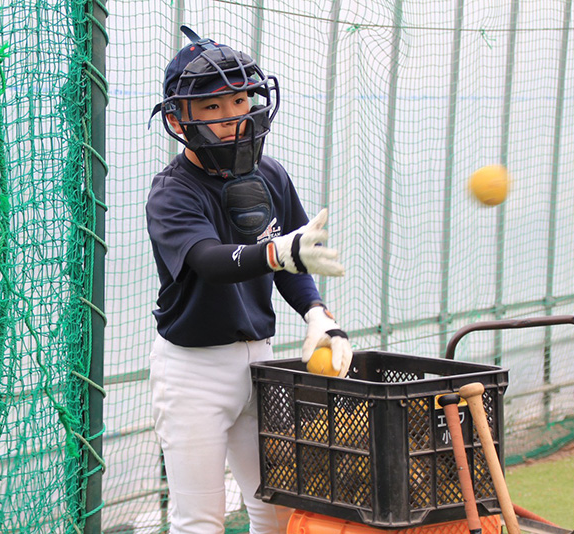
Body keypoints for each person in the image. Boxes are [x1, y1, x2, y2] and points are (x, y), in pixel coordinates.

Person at [146, 25, 353, 534]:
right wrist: (276, 252)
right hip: (193, 372)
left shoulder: (271, 174)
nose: (233, 117)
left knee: (277, 513)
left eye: (240, 100)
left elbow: (295, 259)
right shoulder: (172, 191)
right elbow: (210, 261)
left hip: (262, 363)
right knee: (200, 522)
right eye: (212, 107)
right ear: (177, 119)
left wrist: (318, 315)